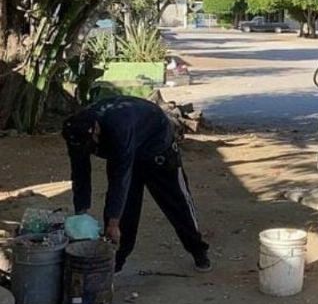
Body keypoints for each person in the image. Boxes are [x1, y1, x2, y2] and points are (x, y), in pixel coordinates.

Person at [61, 96, 211, 273]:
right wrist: (81, 213)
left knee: (177, 203)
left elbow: (121, 178)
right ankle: (116, 259)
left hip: (157, 147)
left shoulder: (119, 127)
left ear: (95, 131)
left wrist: (112, 223)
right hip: (124, 149)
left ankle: (198, 250)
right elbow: (80, 173)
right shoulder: (75, 133)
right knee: (125, 210)